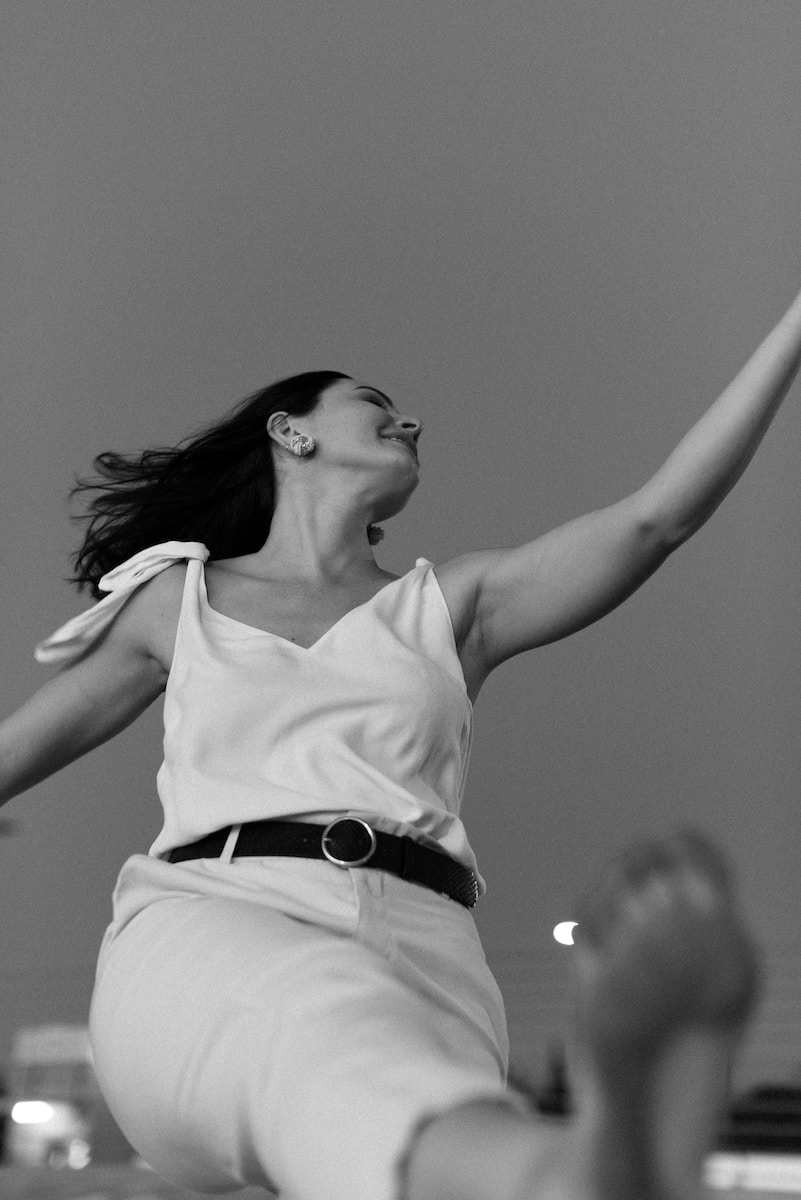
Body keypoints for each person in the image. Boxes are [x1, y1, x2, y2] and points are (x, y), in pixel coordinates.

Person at [1, 278, 800, 1200]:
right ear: (289, 432)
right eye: (373, 402)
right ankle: (572, 1171)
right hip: (209, 924)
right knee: (320, 1025)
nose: (411, 420)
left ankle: (566, 1173)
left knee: (409, 1113)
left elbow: (655, 520)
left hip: (427, 948)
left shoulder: (451, 604)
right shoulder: (178, 600)